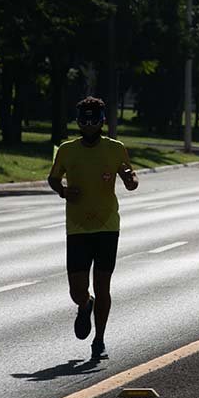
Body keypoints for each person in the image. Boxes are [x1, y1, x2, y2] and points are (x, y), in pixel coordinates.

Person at [48, 96, 139, 359]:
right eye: (84, 120)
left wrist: (130, 180)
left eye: (93, 120)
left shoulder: (115, 148)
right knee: (77, 290)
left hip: (107, 225)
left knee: (103, 285)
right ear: (78, 122)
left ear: (102, 122)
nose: (88, 125)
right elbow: (53, 178)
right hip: (77, 226)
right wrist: (63, 191)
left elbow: (129, 174)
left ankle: (98, 340)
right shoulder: (66, 149)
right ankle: (85, 304)